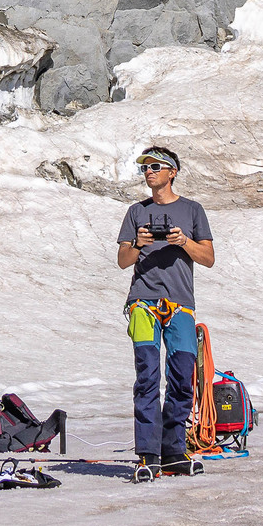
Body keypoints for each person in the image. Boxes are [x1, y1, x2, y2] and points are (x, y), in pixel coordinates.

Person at [115, 145, 214, 477]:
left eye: (155, 166)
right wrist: (139, 244)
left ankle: (173, 451)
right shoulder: (136, 212)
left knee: (182, 377)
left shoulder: (193, 210)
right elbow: (123, 261)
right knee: (147, 377)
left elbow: (208, 258)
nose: (149, 172)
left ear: (173, 172)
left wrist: (184, 241)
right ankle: (148, 454)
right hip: (143, 303)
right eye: (145, 167)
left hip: (181, 305)